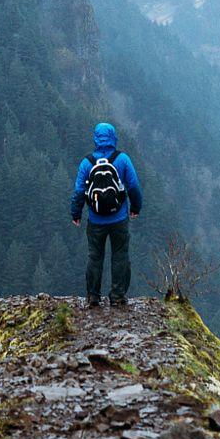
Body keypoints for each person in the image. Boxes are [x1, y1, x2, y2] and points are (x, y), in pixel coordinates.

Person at [71, 121, 142, 308]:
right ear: (114, 138)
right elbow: (133, 186)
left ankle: (93, 296)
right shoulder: (122, 159)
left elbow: (79, 191)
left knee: (95, 256)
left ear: (95, 138)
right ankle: (117, 296)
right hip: (119, 218)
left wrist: (76, 213)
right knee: (120, 255)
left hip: (95, 220)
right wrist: (136, 207)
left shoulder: (87, 162)